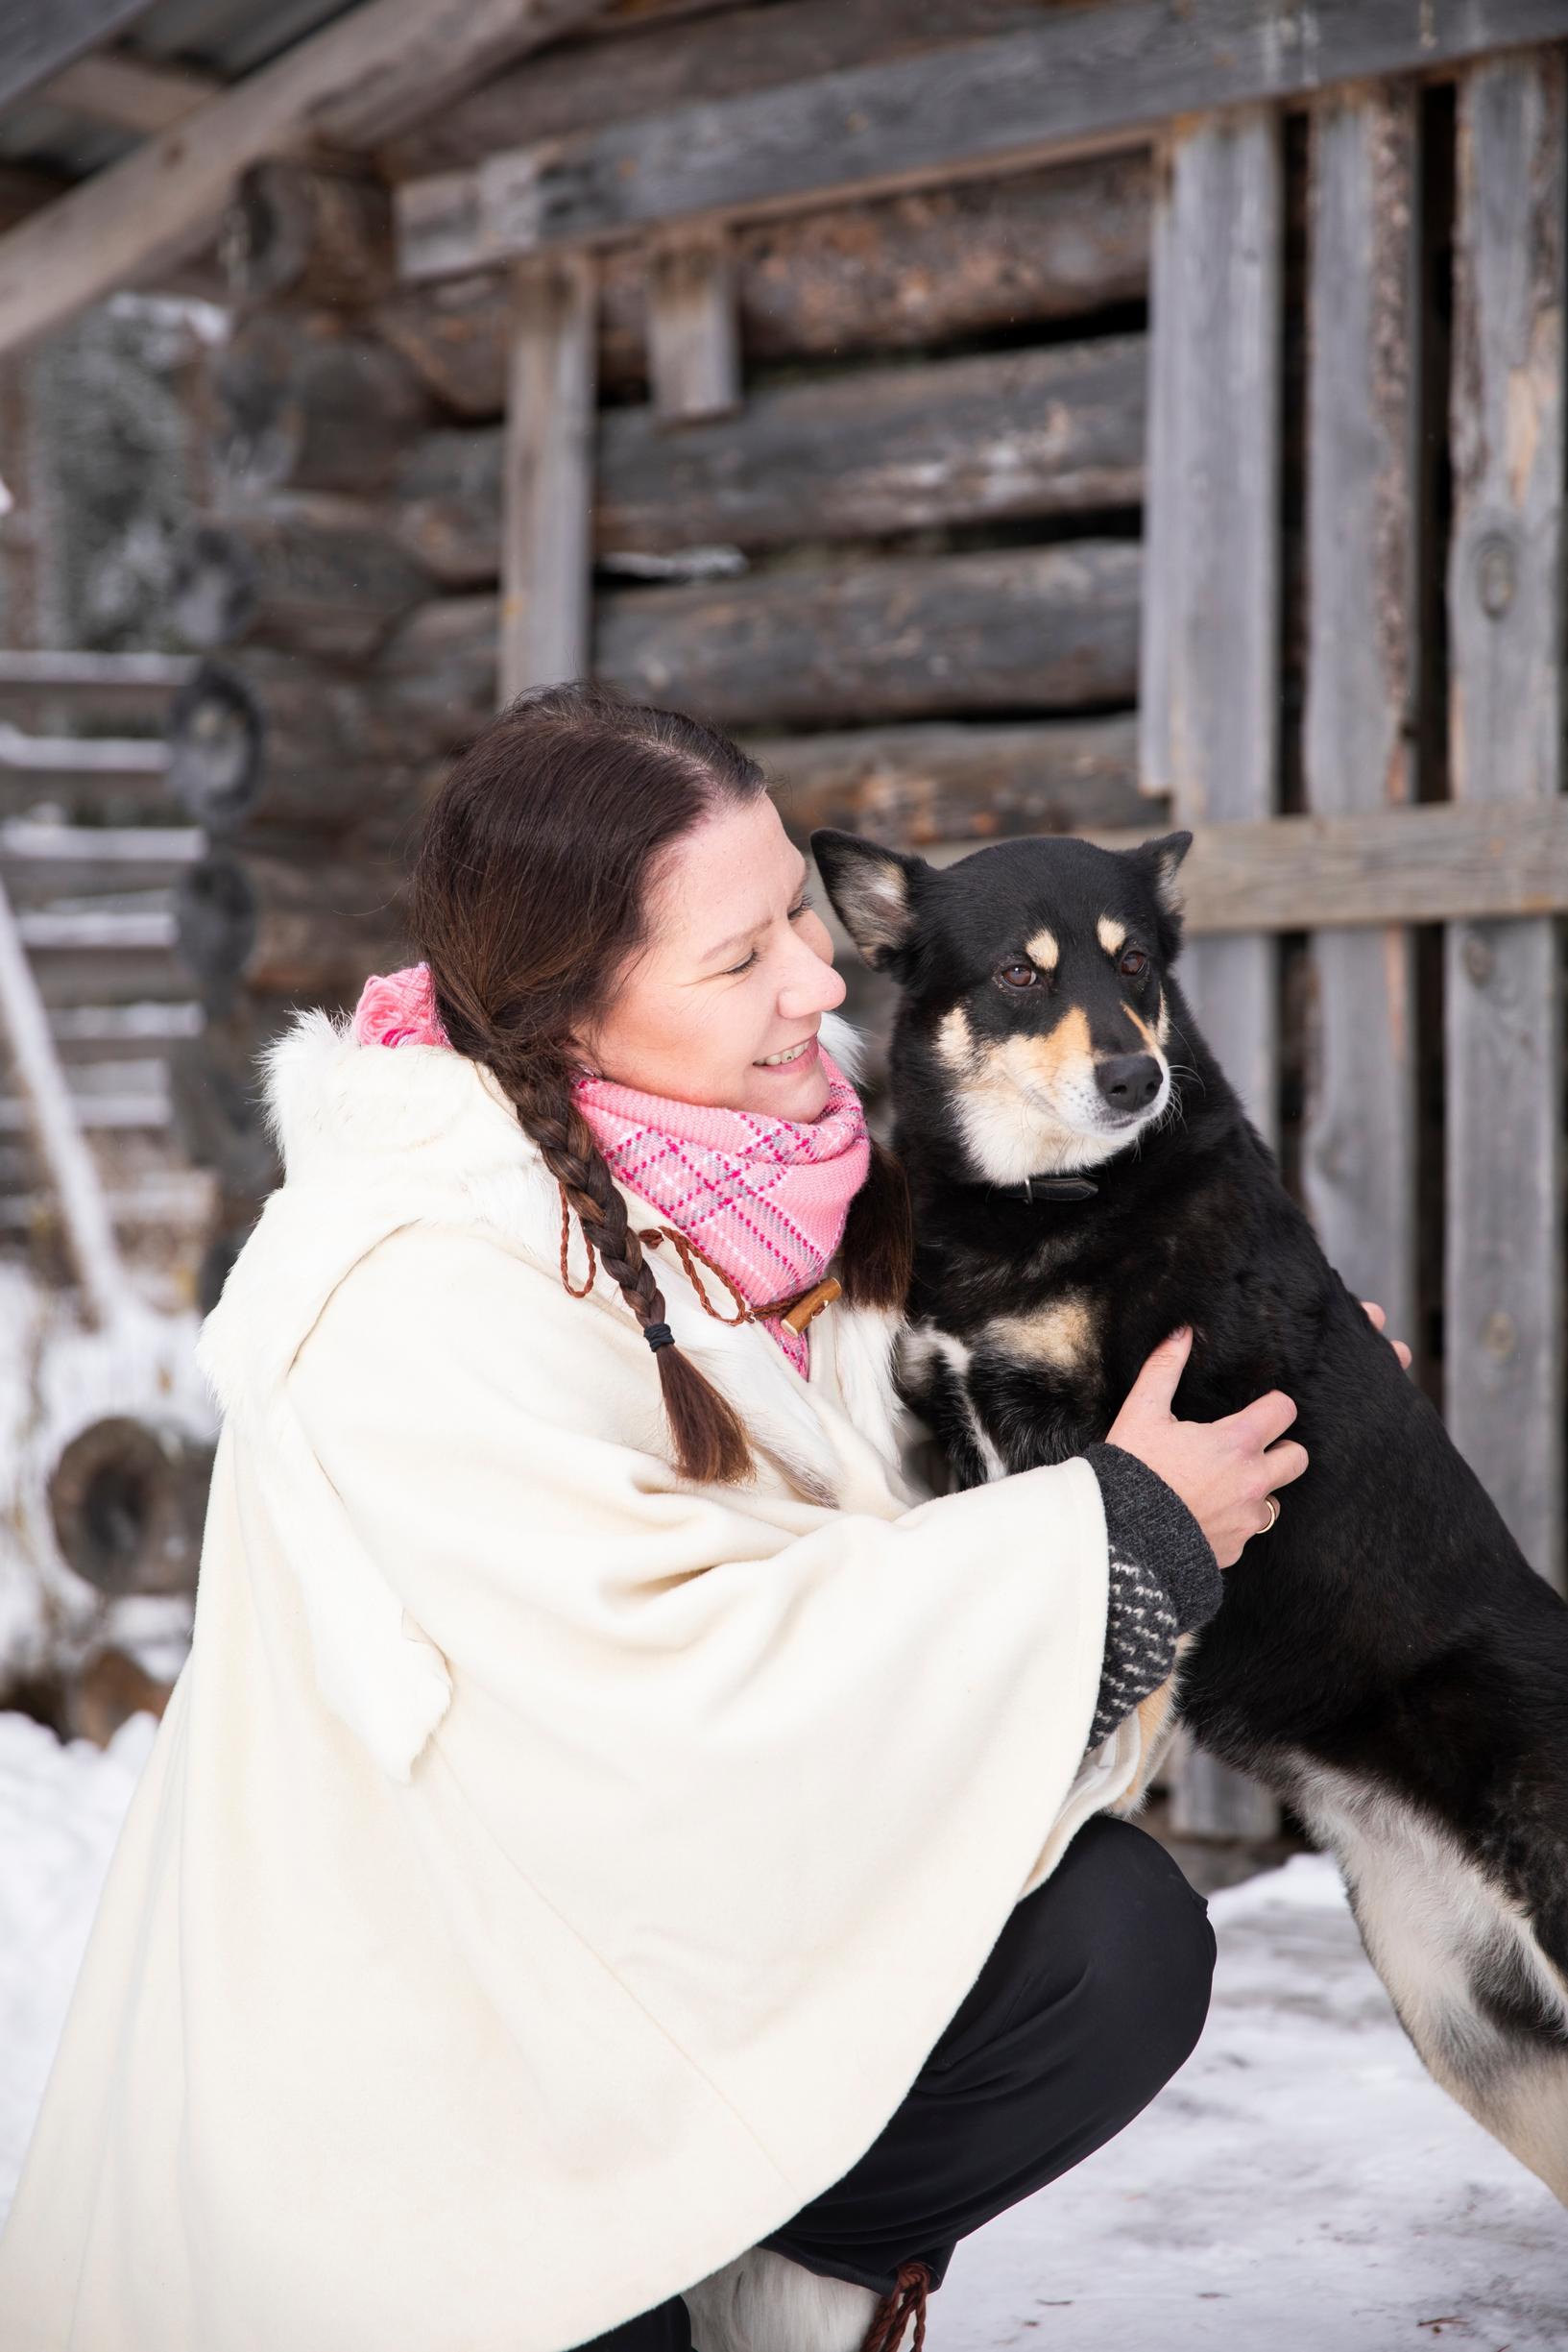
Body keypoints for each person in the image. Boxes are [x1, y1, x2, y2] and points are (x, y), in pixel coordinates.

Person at [0, 683, 1408, 2352]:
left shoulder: (777, 1196)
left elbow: (879, 1587)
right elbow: (682, 1717)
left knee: (1108, 1945)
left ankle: (758, 2255)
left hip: (634, 1979)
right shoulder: (416, 1289)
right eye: (739, 960)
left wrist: (1242, 1411)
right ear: (571, 1018)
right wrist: (1122, 1537)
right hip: (437, 2095)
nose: (817, 981)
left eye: (799, 924)